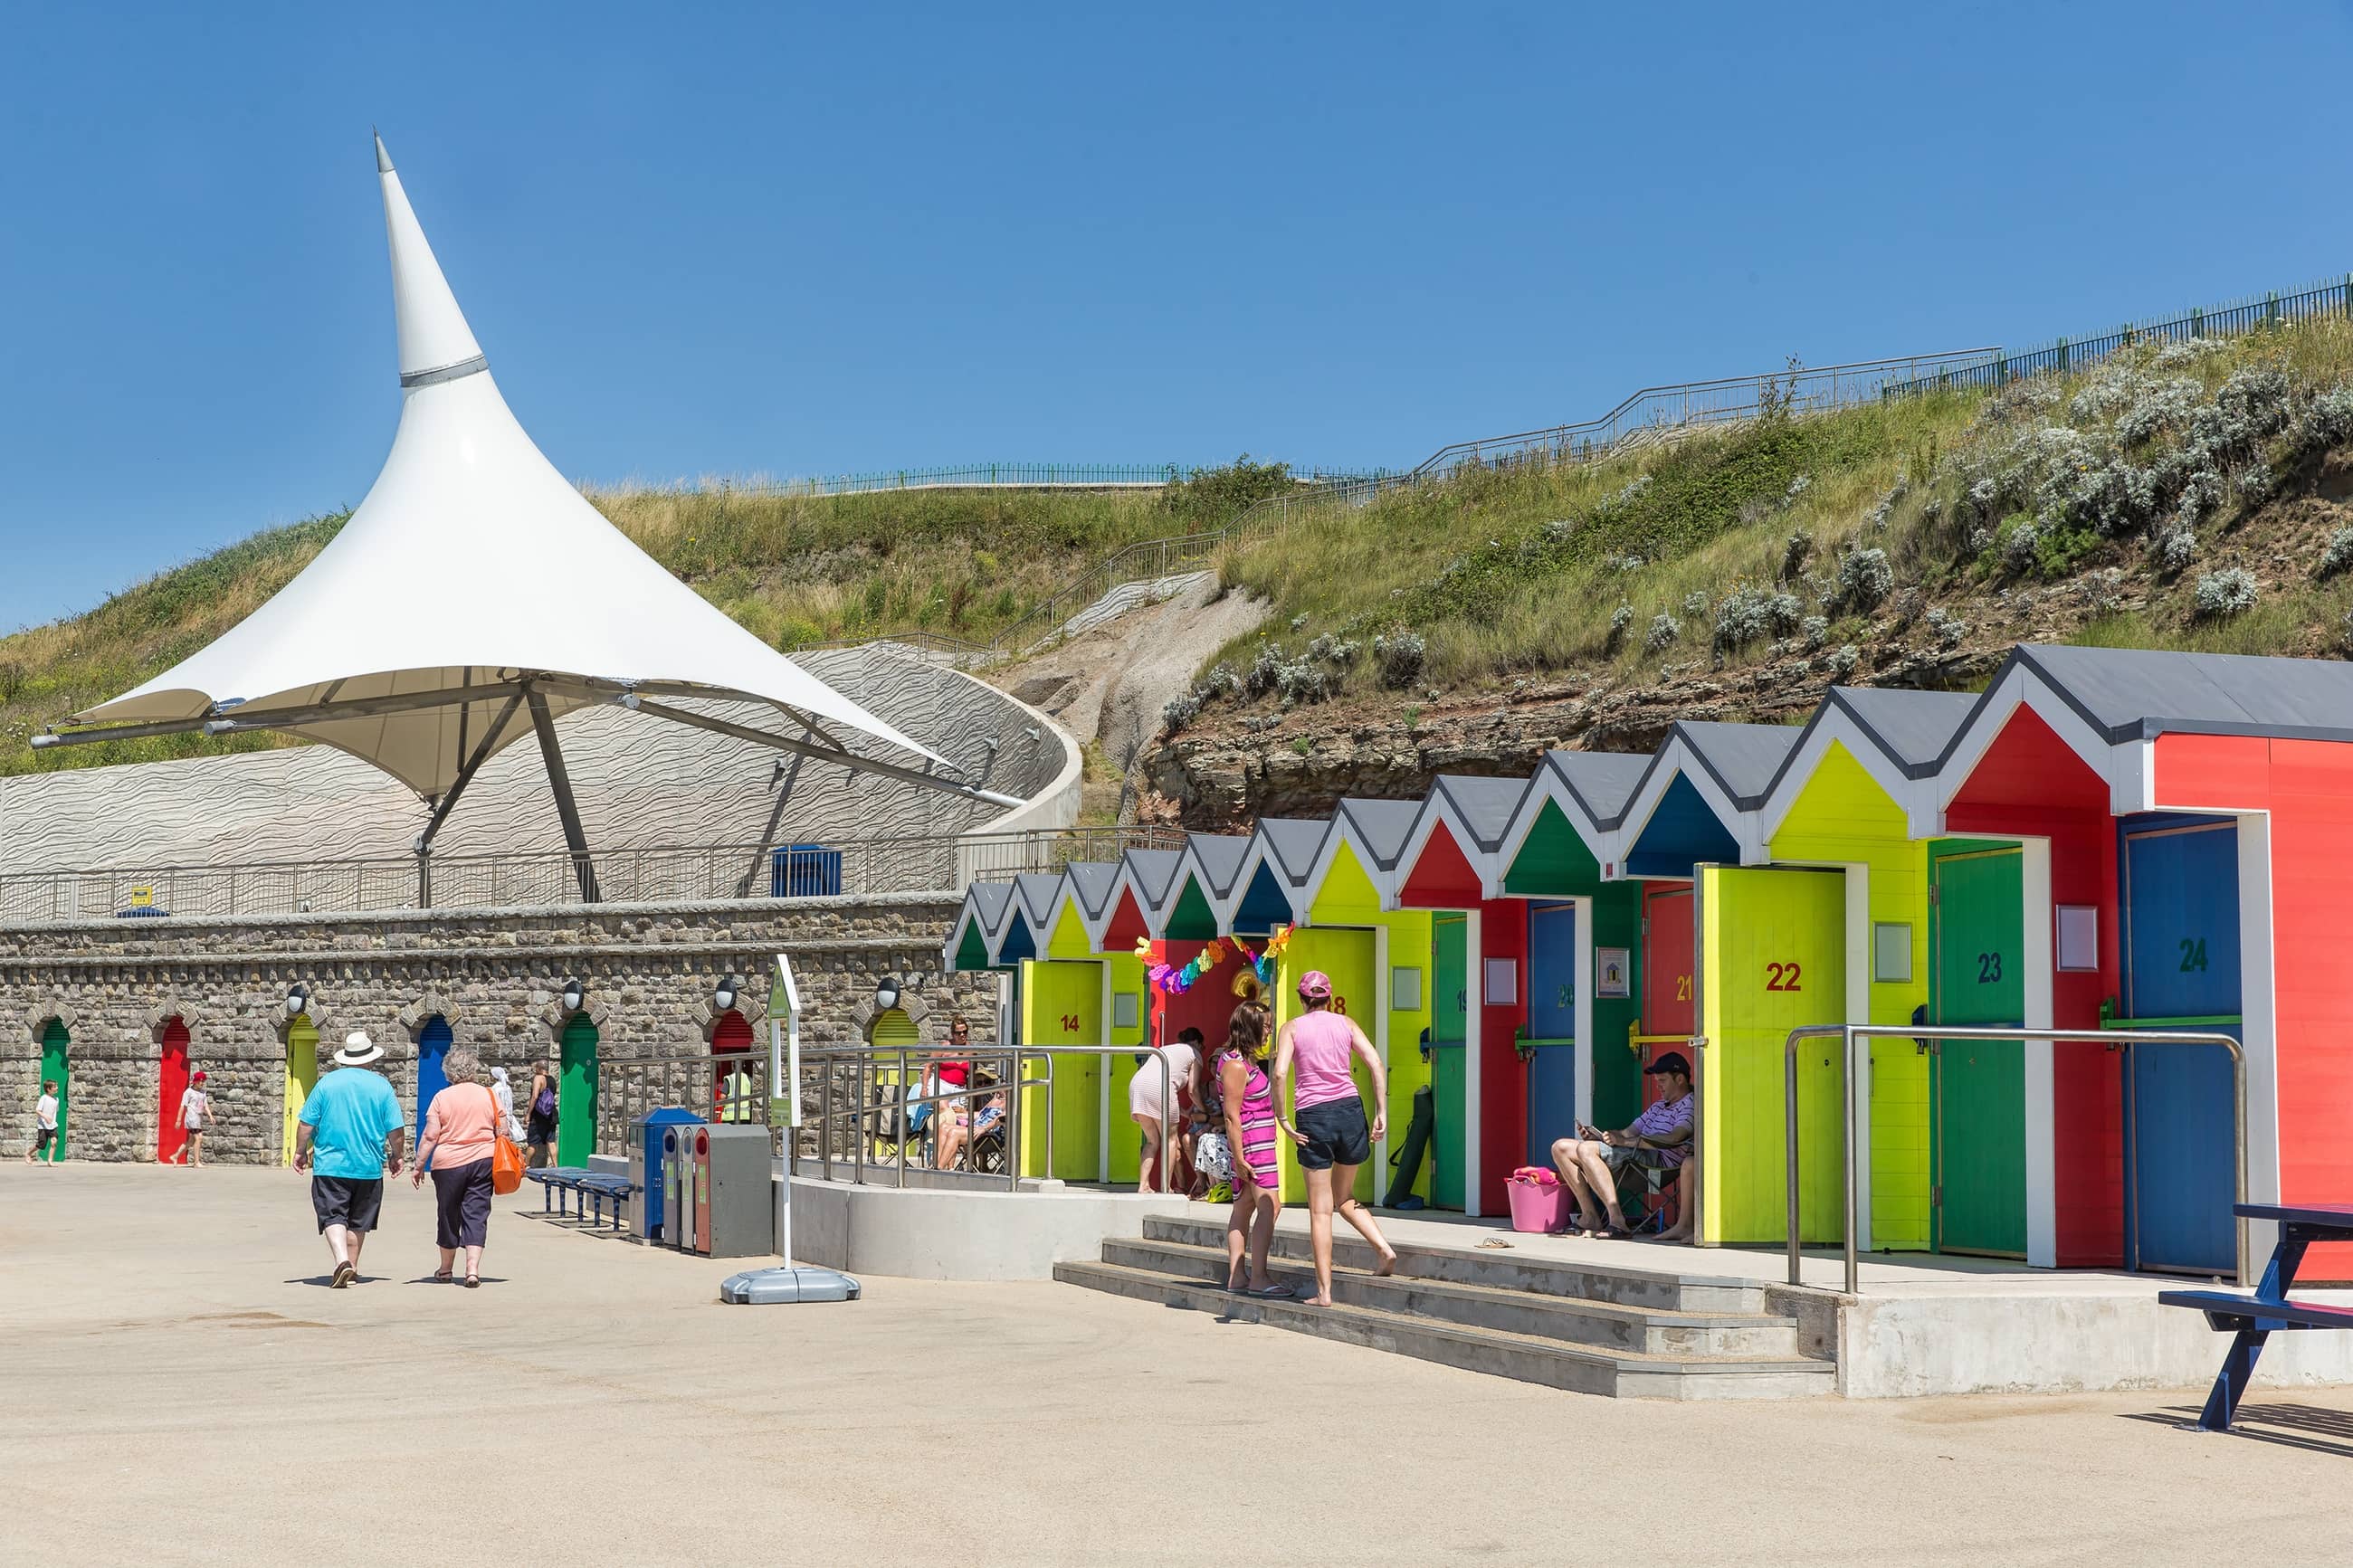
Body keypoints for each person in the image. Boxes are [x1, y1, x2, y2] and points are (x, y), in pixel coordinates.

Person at [1272, 970, 1400, 1306]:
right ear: (1329, 998)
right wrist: (1382, 1112)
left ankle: (1324, 1292)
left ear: (1301, 999)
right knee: (1343, 1197)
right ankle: (1384, 1250)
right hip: (1350, 1111)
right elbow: (1375, 1062)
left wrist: (1282, 1118)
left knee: (1320, 1210)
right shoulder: (1346, 1024)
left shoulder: (1292, 1028)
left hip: (1314, 1115)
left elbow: (1280, 1073)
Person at [295, 1032, 407, 1288]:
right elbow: (396, 1130)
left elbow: (306, 1123)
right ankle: (352, 1268)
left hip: (331, 1165)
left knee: (333, 1215)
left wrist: (300, 1151)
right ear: (370, 1059)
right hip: (368, 1166)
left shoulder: (326, 1083)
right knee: (359, 1220)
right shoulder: (382, 1086)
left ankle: (341, 1261)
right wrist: (397, 1155)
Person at [1549, 1051, 1696, 1240]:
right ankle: (1590, 1216)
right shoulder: (1660, 1105)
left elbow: (1675, 1138)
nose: (1658, 1086)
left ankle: (1617, 1220)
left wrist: (1624, 1142)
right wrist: (1603, 1138)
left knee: (1586, 1150)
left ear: (1680, 1079)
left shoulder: (1689, 1104)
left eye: (1662, 1081)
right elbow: (1627, 1133)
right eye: (1656, 1081)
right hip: (1633, 1157)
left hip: (1656, 1164)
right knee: (1560, 1147)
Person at [1206, 1003, 1286, 1296]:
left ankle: (1238, 1276)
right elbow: (1231, 1115)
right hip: (1253, 1146)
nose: (1269, 1031)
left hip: (1253, 1144)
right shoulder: (1236, 1066)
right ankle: (1259, 1277)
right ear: (1251, 1028)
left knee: (1244, 1207)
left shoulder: (1241, 1061)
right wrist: (1239, 1158)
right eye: (1265, 1026)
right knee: (1270, 1206)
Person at [413, 1046, 500, 1287]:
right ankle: (472, 1270)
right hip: (483, 1160)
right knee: (477, 1213)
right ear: (473, 1069)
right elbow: (502, 1130)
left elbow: (430, 1135)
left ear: (448, 1072)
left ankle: (445, 1269)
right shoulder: (490, 1096)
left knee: (448, 1213)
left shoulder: (441, 1097)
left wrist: (419, 1165)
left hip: (448, 1164)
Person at [1129, 1026, 1203, 1194]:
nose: (1202, 1050)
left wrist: (1186, 1113)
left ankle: (1143, 1185)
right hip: (1160, 1088)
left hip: (1138, 1085)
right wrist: (1204, 1110)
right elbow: (1193, 1090)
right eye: (1202, 1046)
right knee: (1170, 1140)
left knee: (1152, 1141)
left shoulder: (1167, 1049)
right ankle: (1165, 1187)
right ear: (1196, 1042)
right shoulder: (1194, 1053)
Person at [930, 1017, 976, 1171]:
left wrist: (971, 1096)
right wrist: (924, 1088)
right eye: (958, 1033)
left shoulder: (971, 1051)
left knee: (953, 1123)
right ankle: (938, 1162)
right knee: (947, 1115)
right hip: (941, 1086)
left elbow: (973, 1075)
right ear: (952, 1033)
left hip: (959, 1089)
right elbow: (928, 1066)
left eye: (965, 1032)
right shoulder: (944, 1047)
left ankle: (948, 1165)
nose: (962, 1035)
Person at [525, 1060, 558, 1170]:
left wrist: (528, 1114)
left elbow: (535, 1096)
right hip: (551, 1115)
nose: (535, 1070)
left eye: (536, 1068)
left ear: (539, 1068)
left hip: (539, 1116)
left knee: (532, 1143)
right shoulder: (552, 1080)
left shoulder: (538, 1078)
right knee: (551, 1141)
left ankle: (525, 1166)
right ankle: (556, 1166)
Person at [174, 1071, 210, 1166]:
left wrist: (210, 1116)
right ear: (195, 1081)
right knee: (199, 1137)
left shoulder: (203, 1092)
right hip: (191, 1118)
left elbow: (205, 1106)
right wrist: (178, 1120)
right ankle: (196, 1162)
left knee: (191, 1141)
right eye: (199, 1081)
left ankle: (175, 1156)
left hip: (198, 1118)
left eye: (203, 1081)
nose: (201, 1083)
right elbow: (182, 1106)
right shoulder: (188, 1092)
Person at [24, 1079, 60, 1164]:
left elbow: (55, 1111)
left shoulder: (56, 1099)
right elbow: (37, 1110)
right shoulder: (44, 1098)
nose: (57, 1088)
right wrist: (45, 1117)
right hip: (43, 1126)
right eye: (54, 1087)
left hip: (52, 1125)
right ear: (48, 1089)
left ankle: (50, 1161)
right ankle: (28, 1153)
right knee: (41, 1144)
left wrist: (52, 1120)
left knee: (54, 1142)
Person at [490, 1065, 523, 1142]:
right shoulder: (507, 1087)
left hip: (498, 1117)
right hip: (508, 1115)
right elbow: (510, 1104)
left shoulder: (494, 1089)